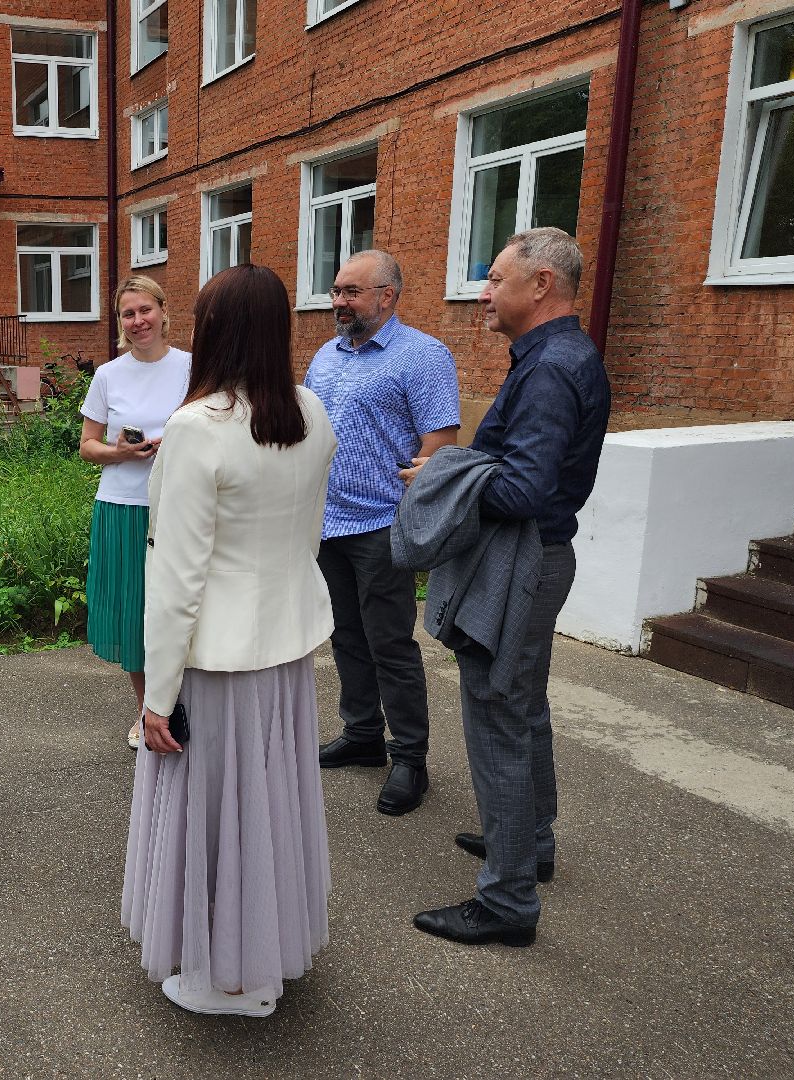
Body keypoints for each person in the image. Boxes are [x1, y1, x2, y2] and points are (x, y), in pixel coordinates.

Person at [122, 264, 338, 1017]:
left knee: (219, 810)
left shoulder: (197, 427)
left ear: (212, 333)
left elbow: (176, 579)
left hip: (216, 659)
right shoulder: (311, 412)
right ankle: (262, 952)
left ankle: (229, 978)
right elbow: (308, 536)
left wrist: (157, 696)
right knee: (269, 803)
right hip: (284, 647)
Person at [408, 227, 610, 946]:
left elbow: (522, 489)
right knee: (522, 711)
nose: (484, 293)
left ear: (541, 285)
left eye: (495, 279)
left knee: (499, 719)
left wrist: (442, 476)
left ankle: (507, 902)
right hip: (537, 558)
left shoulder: (552, 367)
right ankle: (531, 844)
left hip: (523, 560)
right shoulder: (557, 356)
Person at [305, 250, 459, 816]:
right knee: (345, 634)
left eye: (350, 291)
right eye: (336, 290)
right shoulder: (325, 355)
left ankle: (410, 757)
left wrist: (410, 509)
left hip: (381, 525)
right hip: (328, 522)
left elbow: (439, 444)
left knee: (390, 642)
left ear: (386, 296)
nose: (338, 301)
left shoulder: (422, 356)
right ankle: (363, 734)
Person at [78, 275, 191, 748]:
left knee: (182, 608)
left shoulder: (193, 367)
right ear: (121, 322)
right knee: (135, 612)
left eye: (145, 310)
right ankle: (147, 711)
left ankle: (185, 705)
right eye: (128, 313)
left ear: (163, 311)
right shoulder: (109, 374)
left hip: (181, 505)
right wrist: (122, 453)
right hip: (124, 507)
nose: (138, 320)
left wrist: (178, 442)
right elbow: (87, 446)